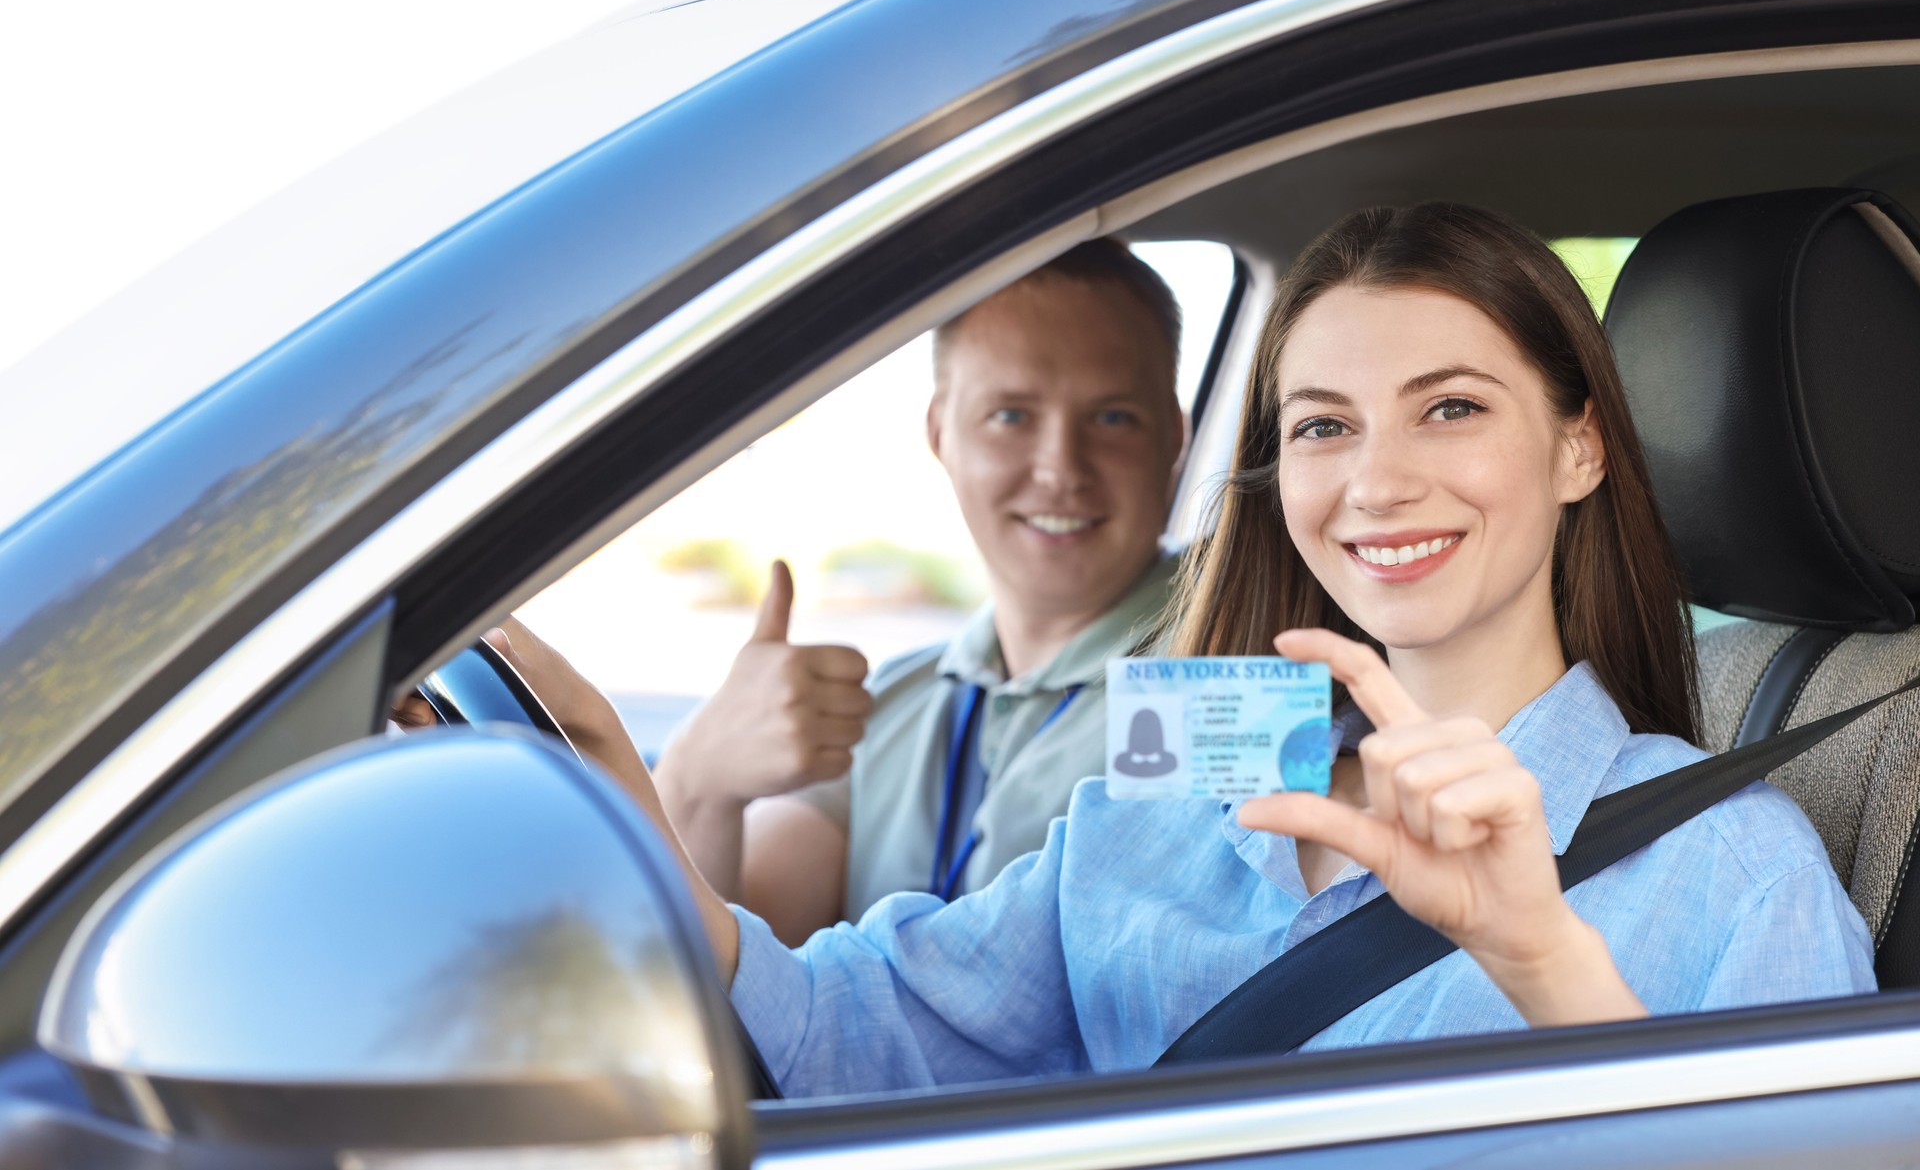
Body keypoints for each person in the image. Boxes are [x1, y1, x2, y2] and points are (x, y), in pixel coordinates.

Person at [493, 203, 1875, 1099]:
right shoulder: (1177, 791)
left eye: (1449, 409)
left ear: (1579, 446)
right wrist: (649, 830)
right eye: (1325, 425)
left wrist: (1542, 961)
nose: (1376, 481)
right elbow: (864, 1032)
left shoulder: (1732, 867)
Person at [528, 239, 1189, 944]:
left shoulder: (1228, 683)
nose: (1061, 468)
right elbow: (748, 967)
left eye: (1113, 417)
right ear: (940, 432)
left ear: (1172, 437)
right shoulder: (886, 705)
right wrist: (699, 778)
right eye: (1011, 416)